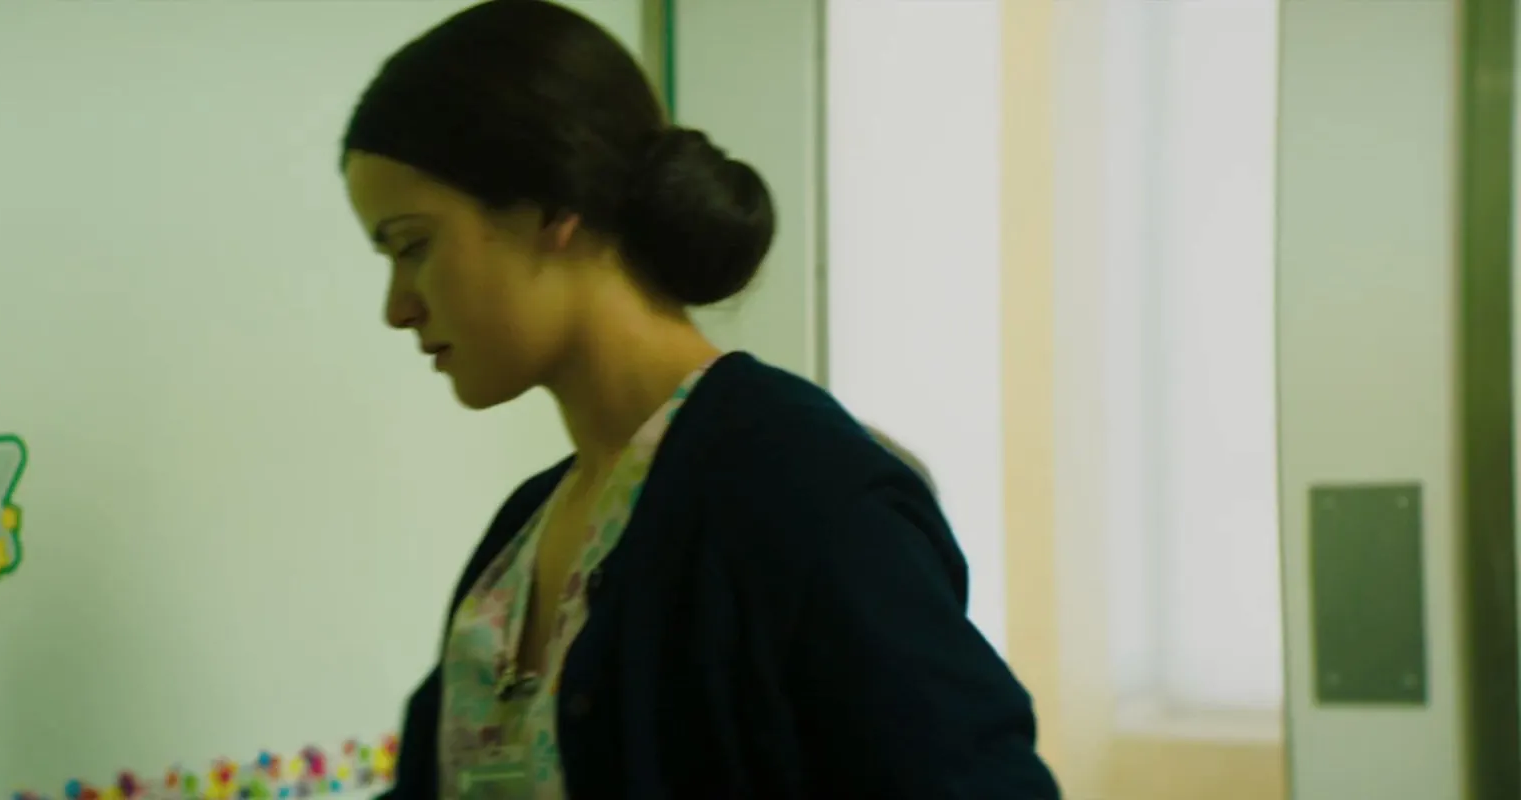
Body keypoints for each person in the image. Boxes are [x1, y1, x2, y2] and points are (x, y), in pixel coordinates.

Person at [340, 1, 1058, 797]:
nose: (397, 306)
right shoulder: (523, 536)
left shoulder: (802, 496)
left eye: (414, 245)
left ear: (550, 207)